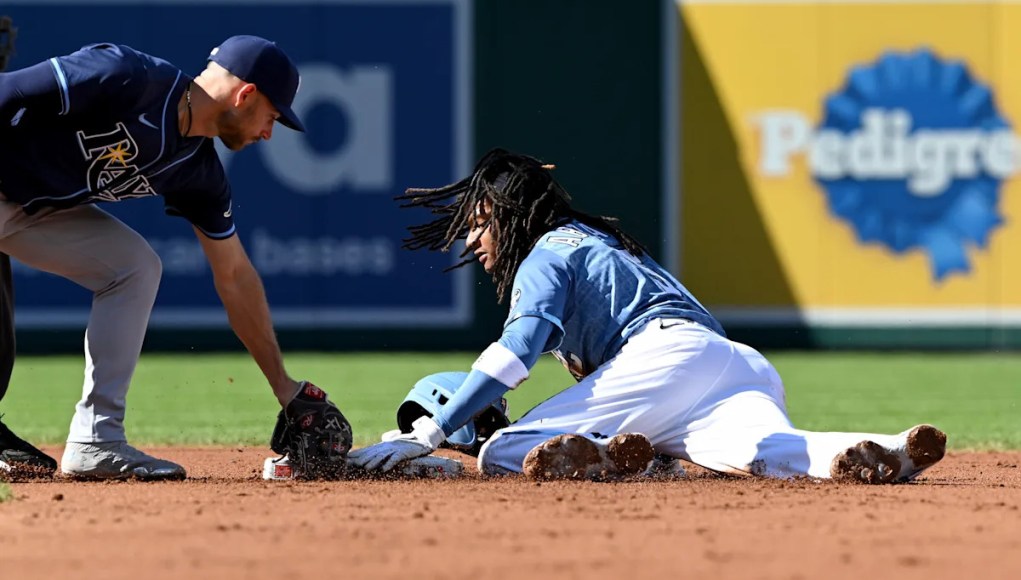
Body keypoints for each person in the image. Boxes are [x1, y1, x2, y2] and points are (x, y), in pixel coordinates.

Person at [348, 148, 948, 484]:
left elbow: (516, 352)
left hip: (667, 358)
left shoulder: (542, 255)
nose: (473, 242)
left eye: (477, 225)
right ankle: (881, 451)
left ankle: (610, 463)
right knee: (768, 452)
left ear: (503, 216)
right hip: (735, 365)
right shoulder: (592, 241)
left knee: (504, 451)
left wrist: (428, 433)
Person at [0, 35, 350, 480]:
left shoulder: (198, 172)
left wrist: (283, 384)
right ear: (246, 95)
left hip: (32, 210)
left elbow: (236, 276)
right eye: (273, 117)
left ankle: (97, 441)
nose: (268, 132)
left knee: (134, 268)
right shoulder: (128, 75)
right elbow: (8, 90)